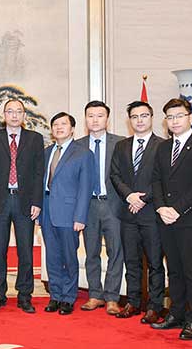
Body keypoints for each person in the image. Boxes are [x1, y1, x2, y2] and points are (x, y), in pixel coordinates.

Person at [150, 98, 192, 340]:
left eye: (179, 116)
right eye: (170, 117)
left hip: (189, 218)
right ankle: (175, 314)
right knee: (174, 269)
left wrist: (176, 209)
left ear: (190, 118)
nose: (174, 121)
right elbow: (156, 180)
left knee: (190, 269)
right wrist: (161, 208)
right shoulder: (163, 148)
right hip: (165, 218)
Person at [0, 99, 44, 313]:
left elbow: (39, 173)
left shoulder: (34, 139)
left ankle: (24, 295)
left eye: (18, 111)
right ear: (4, 115)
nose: (14, 115)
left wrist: (37, 201)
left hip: (25, 201)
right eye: (10, 111)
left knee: (25, 251)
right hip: (0, 201)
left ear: (24, 115)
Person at [110, 100, 165, 324]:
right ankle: (133, 302)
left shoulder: (163, 146)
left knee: (155, 263)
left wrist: (142, 198)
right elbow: (115, 175)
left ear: (151, 118)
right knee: (131, 262)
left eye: (144, 116)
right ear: (129, 120)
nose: (139, 120)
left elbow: (163, 179)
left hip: (151, 214)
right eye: (134, 117)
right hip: (128, 214)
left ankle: (154, 306)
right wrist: (129, 196)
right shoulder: (122, 146)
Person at [40, 112, 93, 316]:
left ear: (72, 129)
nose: (59, 127)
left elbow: (85, 188)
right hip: (47, 211)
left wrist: (80, 217)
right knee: (52, 256)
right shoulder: (47, 152)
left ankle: (68, 298)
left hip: (69, 213)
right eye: (55, 124)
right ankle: (55, 296)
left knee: (69, 257)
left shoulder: (83, 153)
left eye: (64, 124)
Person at [76, 101, 125, 315]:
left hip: (113, 204)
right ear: (85, 119)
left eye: (99, 115)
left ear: (107, 119)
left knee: (116, 251)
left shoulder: (121, 143)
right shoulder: (77, 146)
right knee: (91, 251)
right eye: (90, 116)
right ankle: (95, 294)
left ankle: (112, 297)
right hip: (88, 206)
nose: (95, 120)